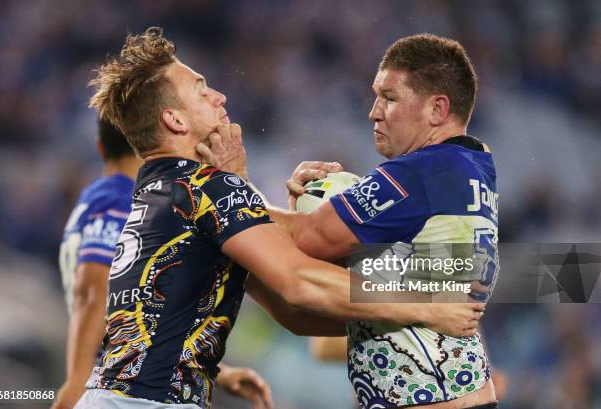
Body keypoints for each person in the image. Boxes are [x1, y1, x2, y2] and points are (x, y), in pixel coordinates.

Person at [76, 27, 483, 409]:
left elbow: (294, 315)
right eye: (201, 91)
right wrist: (424, 306)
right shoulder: (205, 188)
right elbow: (299, 280)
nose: (218, 96)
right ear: (175, 120)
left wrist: (400, 325)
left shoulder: (160, 190)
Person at [201, 34, 500, 408]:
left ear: (437, 109)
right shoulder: (467, 166)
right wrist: (322, 203)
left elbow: (309, 240)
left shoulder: (422, 173)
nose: (373, 111)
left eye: (390, 98)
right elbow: (303, 317)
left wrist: (232, 184)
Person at [53, 119, 274, 409]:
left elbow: (139, 305)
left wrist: (220, 374)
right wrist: (75, 382)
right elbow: (93, 292)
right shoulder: (122, 199)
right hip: (121, 389)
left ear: (100, 147)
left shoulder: (96, 197)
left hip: (126, 378)